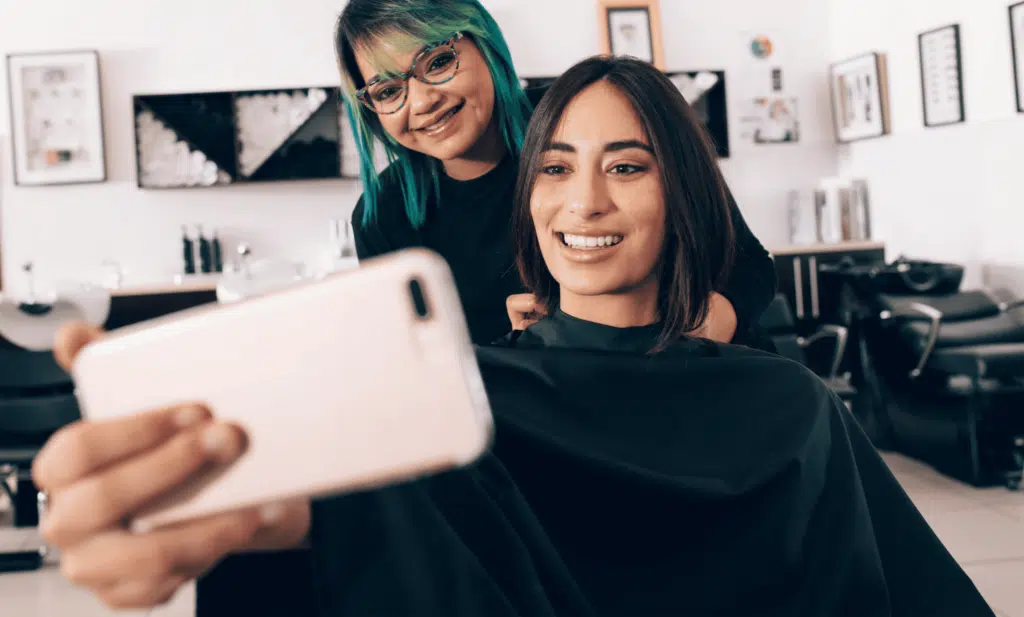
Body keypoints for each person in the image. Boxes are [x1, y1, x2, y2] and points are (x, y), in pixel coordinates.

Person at [35, 55, 993, 617]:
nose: (584, 201)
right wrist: (261, 517)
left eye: (628, 166)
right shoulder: (464, 395)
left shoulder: (785, 404)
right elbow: (404, 517)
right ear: (526, 197)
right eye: (555, 169)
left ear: (684, 196)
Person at [336, 0, 777, 347]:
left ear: (484, 43)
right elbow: (421, 362)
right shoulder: (384, 217)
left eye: (437, 62)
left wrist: (688, 339)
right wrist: (525, 348)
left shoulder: (583, 116)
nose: (422, 101)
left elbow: (747, 266)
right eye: (389, 90)